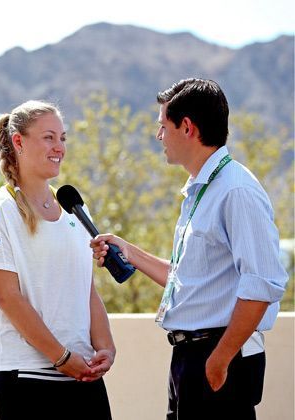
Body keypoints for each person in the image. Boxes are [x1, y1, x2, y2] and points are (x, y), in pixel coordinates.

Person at [91, 78, 288, 420]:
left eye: (162, 127)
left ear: (186, 127)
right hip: (190, 359)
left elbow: (263, 284)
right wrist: (129, 252)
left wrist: (219, 359)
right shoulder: (202, 190)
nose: (158, 137)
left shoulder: (236, 190)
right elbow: (188, 280)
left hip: (218, 358)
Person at [0, 100, 115, 420]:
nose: (59, 147)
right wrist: (61, 358)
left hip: (84, 374)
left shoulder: (76, 210)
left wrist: (105, 346)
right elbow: (7, 298)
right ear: (18, 142)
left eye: (63, 138)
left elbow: (86, 289)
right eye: (49, 137)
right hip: (25, 378)